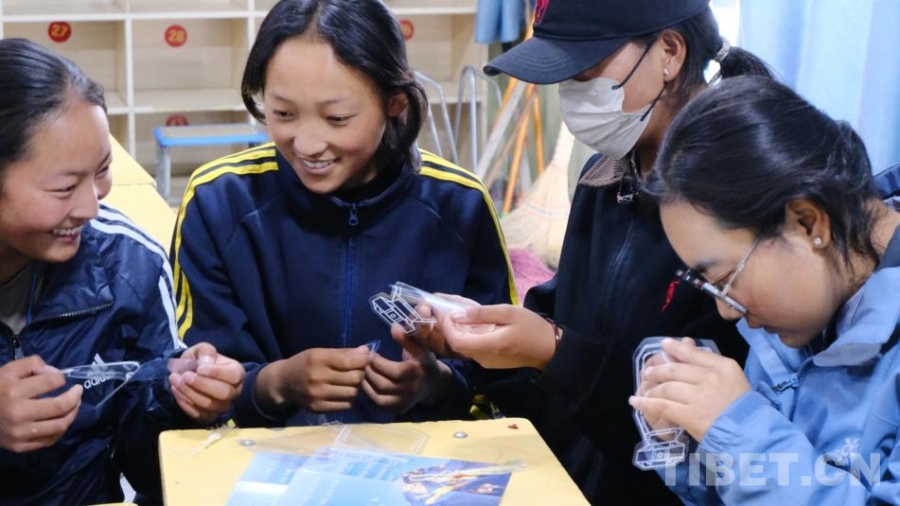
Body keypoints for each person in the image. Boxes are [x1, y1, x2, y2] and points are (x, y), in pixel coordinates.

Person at [415, 0, 773, 503]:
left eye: (585, 70)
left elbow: (686, 435)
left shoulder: (738, 205)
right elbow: (564, 331)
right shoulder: (604, 178)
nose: (573, 93)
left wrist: (554, 352)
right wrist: (478, 345)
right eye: (564, 78)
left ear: (670, 52)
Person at [170, 0, 515, 428]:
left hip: (422, 466)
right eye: (283, 113)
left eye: (337, 118)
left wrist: (435, 385)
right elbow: (195, 385)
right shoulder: (218, 202)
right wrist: (275, 384)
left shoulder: (459, 205)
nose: (308, 144)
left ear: (395, 102)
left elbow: (502, 389)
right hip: (259, 464)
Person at [631, 75, 900, 503]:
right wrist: (692, 443)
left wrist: (738, 431)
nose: (728, 312)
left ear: (808, 223)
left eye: (726, 281)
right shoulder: (797, 315)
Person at [0, 38, 246, 505]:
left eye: (102, 170)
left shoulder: (126, 264)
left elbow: (148, 469)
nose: (92, 207)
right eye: (65, 187)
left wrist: (182, 401)